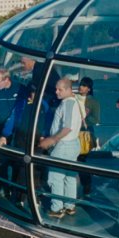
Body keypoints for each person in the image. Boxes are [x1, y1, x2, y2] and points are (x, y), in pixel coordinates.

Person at [39, 78, 83, 218]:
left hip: (64, 145)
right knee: (69, 177)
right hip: (74, 143)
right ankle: (70, 206)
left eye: (60, 89)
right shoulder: (76, 101)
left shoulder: (67, 104)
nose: (56, 91)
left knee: (55, 177)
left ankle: (57, 209)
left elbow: (67, 127)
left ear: (69, 89)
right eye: (56, 89)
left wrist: (52, 139)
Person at [76, 77, 101, 195]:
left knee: (81, 159)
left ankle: (86, 183)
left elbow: (95, 119)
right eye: (81, 85)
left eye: (84, 86)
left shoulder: (93, 102)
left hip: (83, 133)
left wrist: (83, 120)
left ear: (89, 89)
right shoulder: (74, 97)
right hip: (71, 132)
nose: (81, 87)